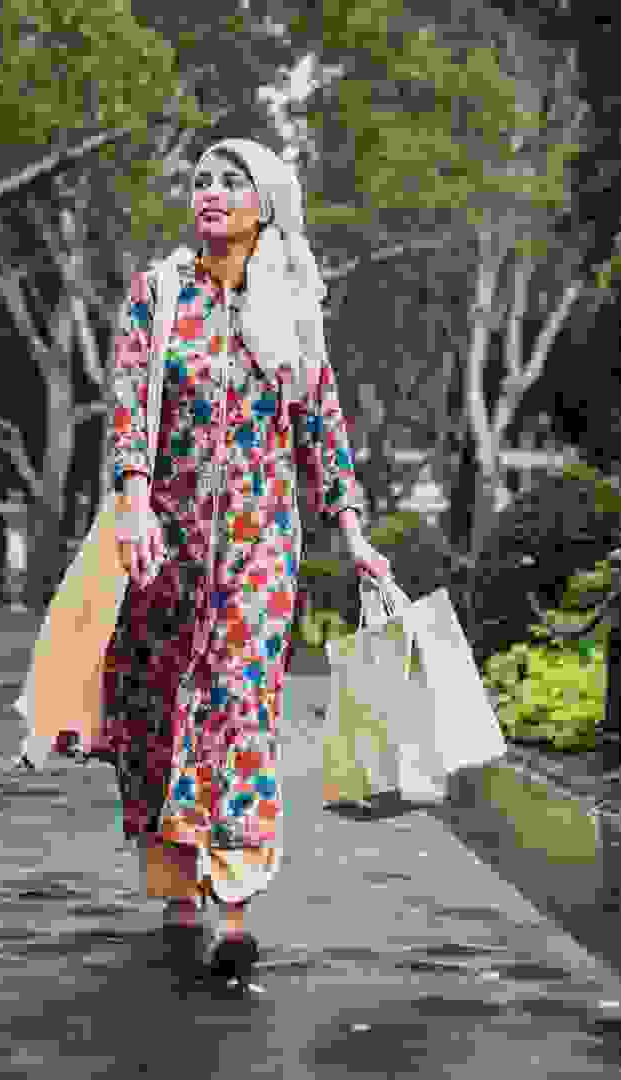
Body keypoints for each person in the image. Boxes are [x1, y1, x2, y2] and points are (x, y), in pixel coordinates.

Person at [92, 138, 396, 985]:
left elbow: (321, 423)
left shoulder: (292, 303)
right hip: (168, 540)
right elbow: (130, 405)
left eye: (232, 182)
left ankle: (233, 906)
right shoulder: (159, 294)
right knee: (161, 704)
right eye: (201, 181)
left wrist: (352, 531)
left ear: (267, 202)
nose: (212, 193)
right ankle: (177, 889)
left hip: (263, 542)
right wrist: (134, 500)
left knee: (240, 704)